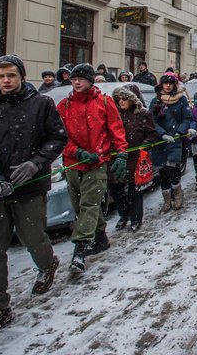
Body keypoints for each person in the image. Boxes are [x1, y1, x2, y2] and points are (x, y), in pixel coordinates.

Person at [0, 54, 68, 343]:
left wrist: (36, 163)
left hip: (30, 187)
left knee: (33, 237)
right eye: (1, 76)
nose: (6, 81)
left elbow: (58, 138)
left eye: (11, 75)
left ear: (22, 75)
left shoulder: (41, 104)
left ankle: (47, 264)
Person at [56, 63, 128, 273]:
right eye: (73, 79)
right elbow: (59, 136)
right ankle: (101, 238)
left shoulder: (105, 102)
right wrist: (75, 151)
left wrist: (121, 153)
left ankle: (80, 250)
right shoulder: (64, 106)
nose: (76, 82)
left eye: (81, 78)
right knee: (80, 205)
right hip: (73, 163)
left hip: (98, 162)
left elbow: (117, 130)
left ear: (90, 80)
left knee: (89, 203)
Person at [110, 85, 158, 232]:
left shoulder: (143, 114)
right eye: (118, 99)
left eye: (124, 99)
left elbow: (152, 135)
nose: (121, 102)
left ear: (132, 99)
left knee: (134, 189)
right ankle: (124, 214)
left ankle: (136, 219)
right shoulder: (114, 114)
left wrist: (144, 146)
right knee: (115, 187)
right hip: (117, 156)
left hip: (135, 157)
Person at [150, 74, 194, 212]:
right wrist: (161, 133)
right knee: (162, 171)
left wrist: (179, 132)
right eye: (165, 83)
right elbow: (152, 120)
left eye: (170, 84)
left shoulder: (181, 100)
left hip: (175, 140)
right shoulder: (156, 100)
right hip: (160, 141)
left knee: (172, 168)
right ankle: (167, 200)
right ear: (161, 85)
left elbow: (187, 118)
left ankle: (178, 195)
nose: (168, 86)